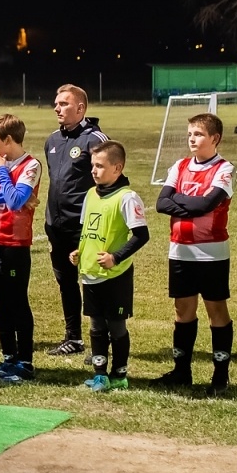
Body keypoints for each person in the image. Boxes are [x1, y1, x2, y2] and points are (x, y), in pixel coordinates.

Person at [154, 112, 236, 393]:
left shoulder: (225, 169)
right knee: (182, 309)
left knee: (216, 309)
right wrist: (191, 203)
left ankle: (220, 376)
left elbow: (206, 205)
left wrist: (180, 200)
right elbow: (161, 203)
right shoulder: (180, 166)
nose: (192, 139)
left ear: (215, 138)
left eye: (198, 134)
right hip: (180, 250)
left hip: (211, 252)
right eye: (190, 134)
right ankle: (181, 371)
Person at [70, 141, 149, 392]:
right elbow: (88, 230)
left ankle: (119, 374)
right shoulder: (90, 194)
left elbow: (141, 235)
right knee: (96, 326)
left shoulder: (127, 198)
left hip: (115, 274)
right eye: (93, 165)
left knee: (116, 326)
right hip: (91, 273)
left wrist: (116, 256)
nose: (94, 171)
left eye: (100, 166)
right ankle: (100, 375)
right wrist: (80, 252)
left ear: (117, 168)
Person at [0, 113, 43, 384]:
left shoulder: (31, 165)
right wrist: (13, 193)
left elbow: (15, 203)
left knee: (17, 302)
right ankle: (8, 357)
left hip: (14, 244)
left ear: (8, 139)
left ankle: (25, 362)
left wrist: (3, 174)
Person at [43, 85, 109, 356]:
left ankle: (101, 343)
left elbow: (109, 180)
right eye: (56, 103)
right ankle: (73, 338)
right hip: (56, 225)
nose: (57, 108)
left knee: (94, 283)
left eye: (64, 104)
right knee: (66, 283)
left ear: (80, 108)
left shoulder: (94, 139)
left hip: (84, 226)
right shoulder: (52, 140)